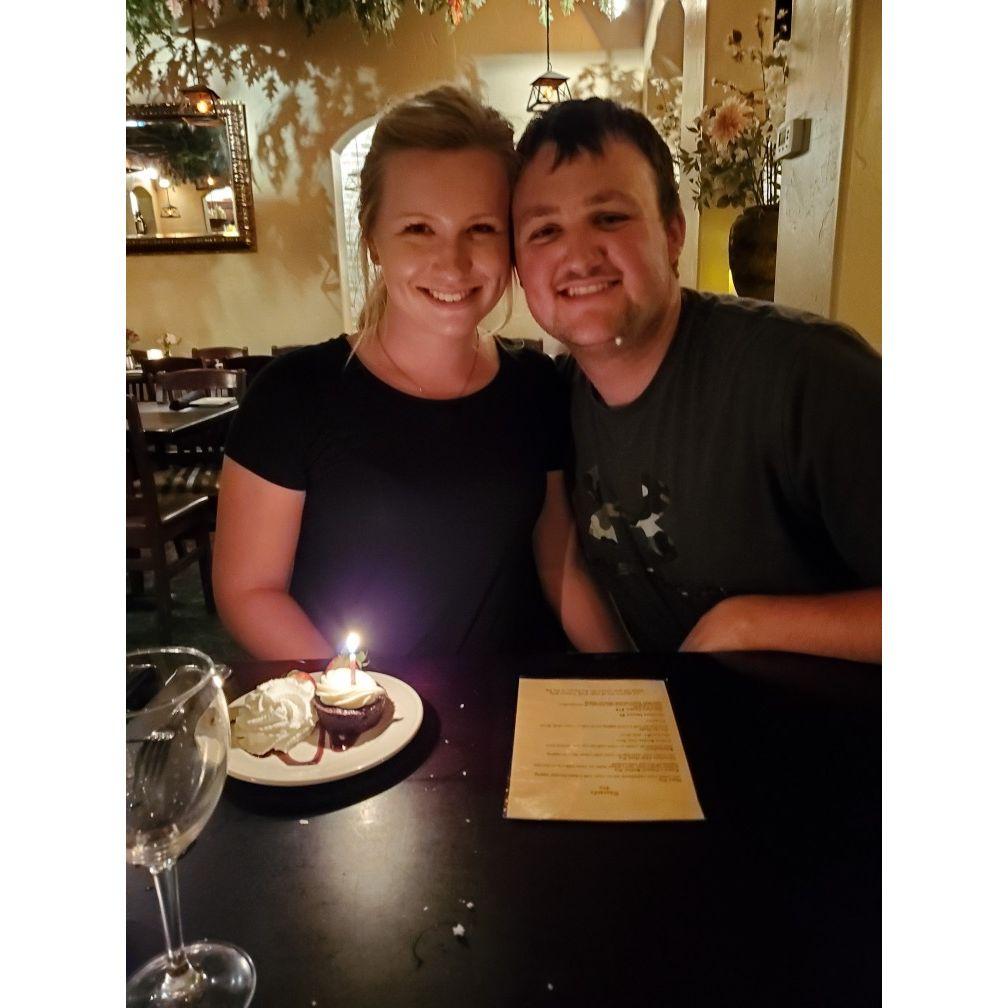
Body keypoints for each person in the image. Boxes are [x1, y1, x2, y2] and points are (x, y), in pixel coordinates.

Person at [213, 86, 627, 662]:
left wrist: (638, 678)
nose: (452, 263)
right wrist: (358, 696)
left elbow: (559, 566)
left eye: (481, 228)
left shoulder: (537, 387)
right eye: (418, 229)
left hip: (519, 702)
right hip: (362, 708)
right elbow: (249, 591)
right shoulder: (292, 396)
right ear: (373, 238)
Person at [511, 98, 881, 663]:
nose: (578, 256)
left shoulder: (805, 375)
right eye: (545, 231)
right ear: (518, 266)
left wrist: (747, 625)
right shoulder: (551, 400)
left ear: (673, 232)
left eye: (609, 218)